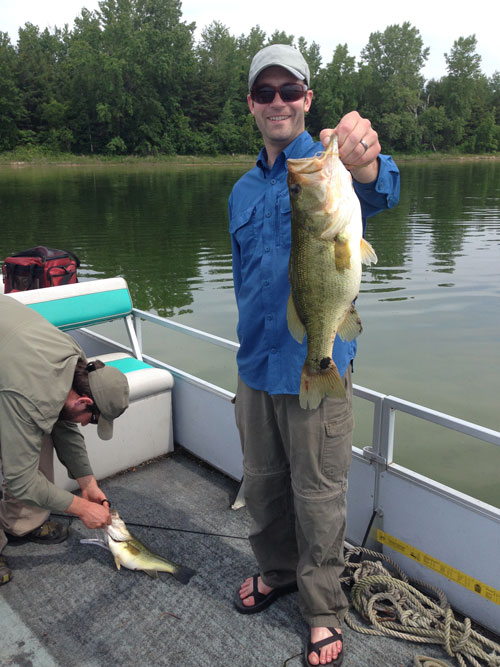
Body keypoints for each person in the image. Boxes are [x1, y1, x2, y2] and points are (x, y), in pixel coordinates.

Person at [229, 44, 400, 666]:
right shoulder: (242, 191)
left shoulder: (327, 166)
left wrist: (363, 165)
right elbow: (246, 276)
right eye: (265, 92)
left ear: (307, 99)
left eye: (289, 91)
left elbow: (383, 190)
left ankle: (322, 607)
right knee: (265, 485)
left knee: (321, 494)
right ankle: (276, 572)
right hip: (256, 366)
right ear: (252, 104)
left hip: (319, 357)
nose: (278, 102)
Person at [0, 293, 130, 585]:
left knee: (45, 421)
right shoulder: (29, 395)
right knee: (23, 440)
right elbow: (21, 480)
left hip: (11, 366)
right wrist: (81, 508)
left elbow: (63, 422)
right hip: (14, 380)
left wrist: (88, 483)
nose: (86, 425)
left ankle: (22, 522)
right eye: (92, 420)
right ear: (85, 401)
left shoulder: (77, 362)